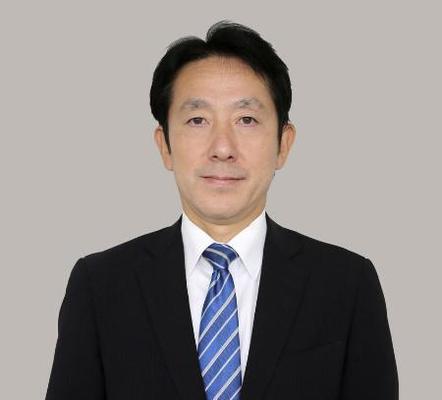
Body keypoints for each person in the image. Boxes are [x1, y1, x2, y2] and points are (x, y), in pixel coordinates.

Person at [45, 20, 399, 400]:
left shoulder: (346, 284)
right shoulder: (100, 286)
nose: (223, 148)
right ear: (165, 145)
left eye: (246, 120)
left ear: (283, 144)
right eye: (197, 120)